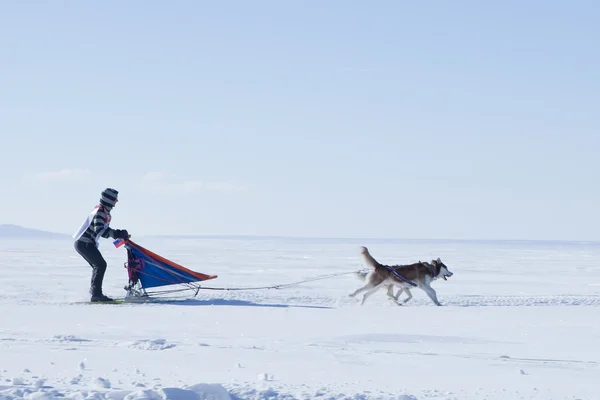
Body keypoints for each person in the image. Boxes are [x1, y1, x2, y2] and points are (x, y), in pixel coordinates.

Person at [73, 188, 129, 302]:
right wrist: (117, 233)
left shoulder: (104, 211)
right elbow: (100, 230)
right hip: (84, 243)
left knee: (98, 266)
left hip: (85, 243)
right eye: (115, 199)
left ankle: (95, 293)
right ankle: (96, 294)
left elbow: (103, 230)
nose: (116, 202)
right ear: (109, 200)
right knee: (100, 265)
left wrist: (118, 235)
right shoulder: (100, 212)